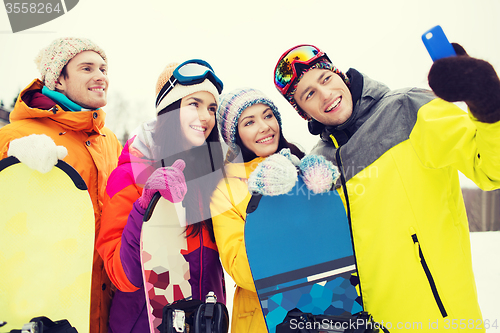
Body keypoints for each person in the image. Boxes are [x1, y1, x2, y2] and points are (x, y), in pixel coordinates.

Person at [273, 44, 500, 330]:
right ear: (302, 113)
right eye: (309, 94)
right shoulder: (319, 163)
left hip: (442, 320)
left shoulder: (407, 108)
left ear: (340, 75)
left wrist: (488, 104)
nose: (325, 94)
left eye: (325, 78)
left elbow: (489, 167)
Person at [0, 37, 122, 333]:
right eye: (87, 68)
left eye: (103, 69)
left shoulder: (110, 141)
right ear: (59, 80)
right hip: (45, 305)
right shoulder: (14, 135)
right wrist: (13, 161)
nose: (100, 76)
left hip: (106, 298)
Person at [97, 60, 226, 332]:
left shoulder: (210, 177)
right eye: (194, 104)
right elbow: (121, 276)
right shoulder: (127, 174)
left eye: (211, 108)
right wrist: (145, 207)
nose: (205, 117)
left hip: (204, 323)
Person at [210, 88, 310, 332]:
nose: (264, 127)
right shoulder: (227, 188)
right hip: (264, 318)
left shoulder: (303, 166)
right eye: (249, 122)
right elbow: (239, 267)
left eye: (268, 116)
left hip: (322, 302)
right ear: (236, 136)